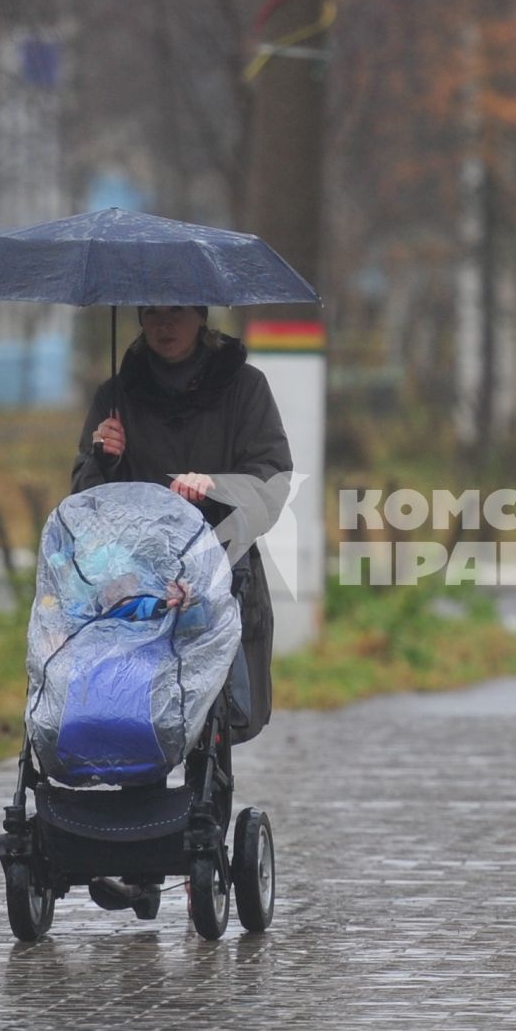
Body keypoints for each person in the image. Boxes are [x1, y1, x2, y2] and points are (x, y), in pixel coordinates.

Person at [70, 304, 292, 912]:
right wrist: (104, 457)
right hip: (137, 588)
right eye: (151, 314)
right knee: (136, 706)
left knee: (207, 718)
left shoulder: (245, 389)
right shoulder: (115, 395)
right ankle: (139, 862)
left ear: (200, 317)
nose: (163, 325)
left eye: (176, 314)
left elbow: (272, 480)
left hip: (220, 575)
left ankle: (201, 842)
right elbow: (85, 502)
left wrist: (214, 487)